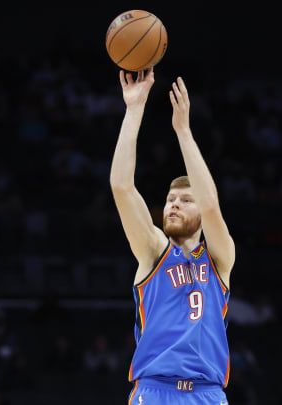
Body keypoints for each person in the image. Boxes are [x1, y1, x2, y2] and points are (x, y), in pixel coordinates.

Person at [110, 68, 234, 405]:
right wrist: (134, 110)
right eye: (169, 200)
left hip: (208, 394)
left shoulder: (220, 258)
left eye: (185, 200)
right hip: (155, 392)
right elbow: (121, 187)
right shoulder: (152, 250)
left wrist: (183, 131)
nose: (174, 205)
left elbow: (211, 206)